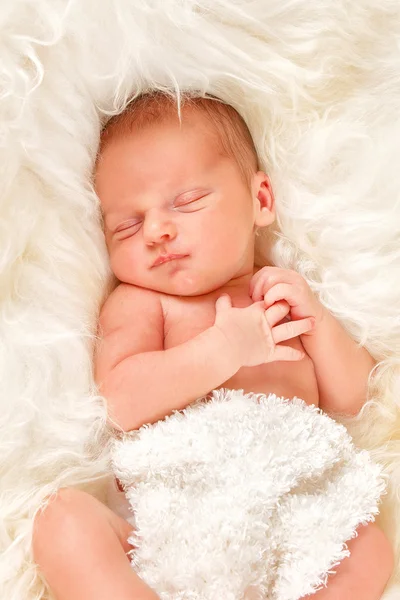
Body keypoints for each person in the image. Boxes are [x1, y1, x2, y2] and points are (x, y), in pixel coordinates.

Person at [32, 92, 394, 600]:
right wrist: (222, 349)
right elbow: (120, 401)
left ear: (261, 202)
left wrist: (318, 323)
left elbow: (356, 398)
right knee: (60, 520)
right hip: (170, 530)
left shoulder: (280, 296)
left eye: (186, 201)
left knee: (369, 548)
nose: (156, 230)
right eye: (127, 226)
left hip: (289, 523)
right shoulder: (143, 303)